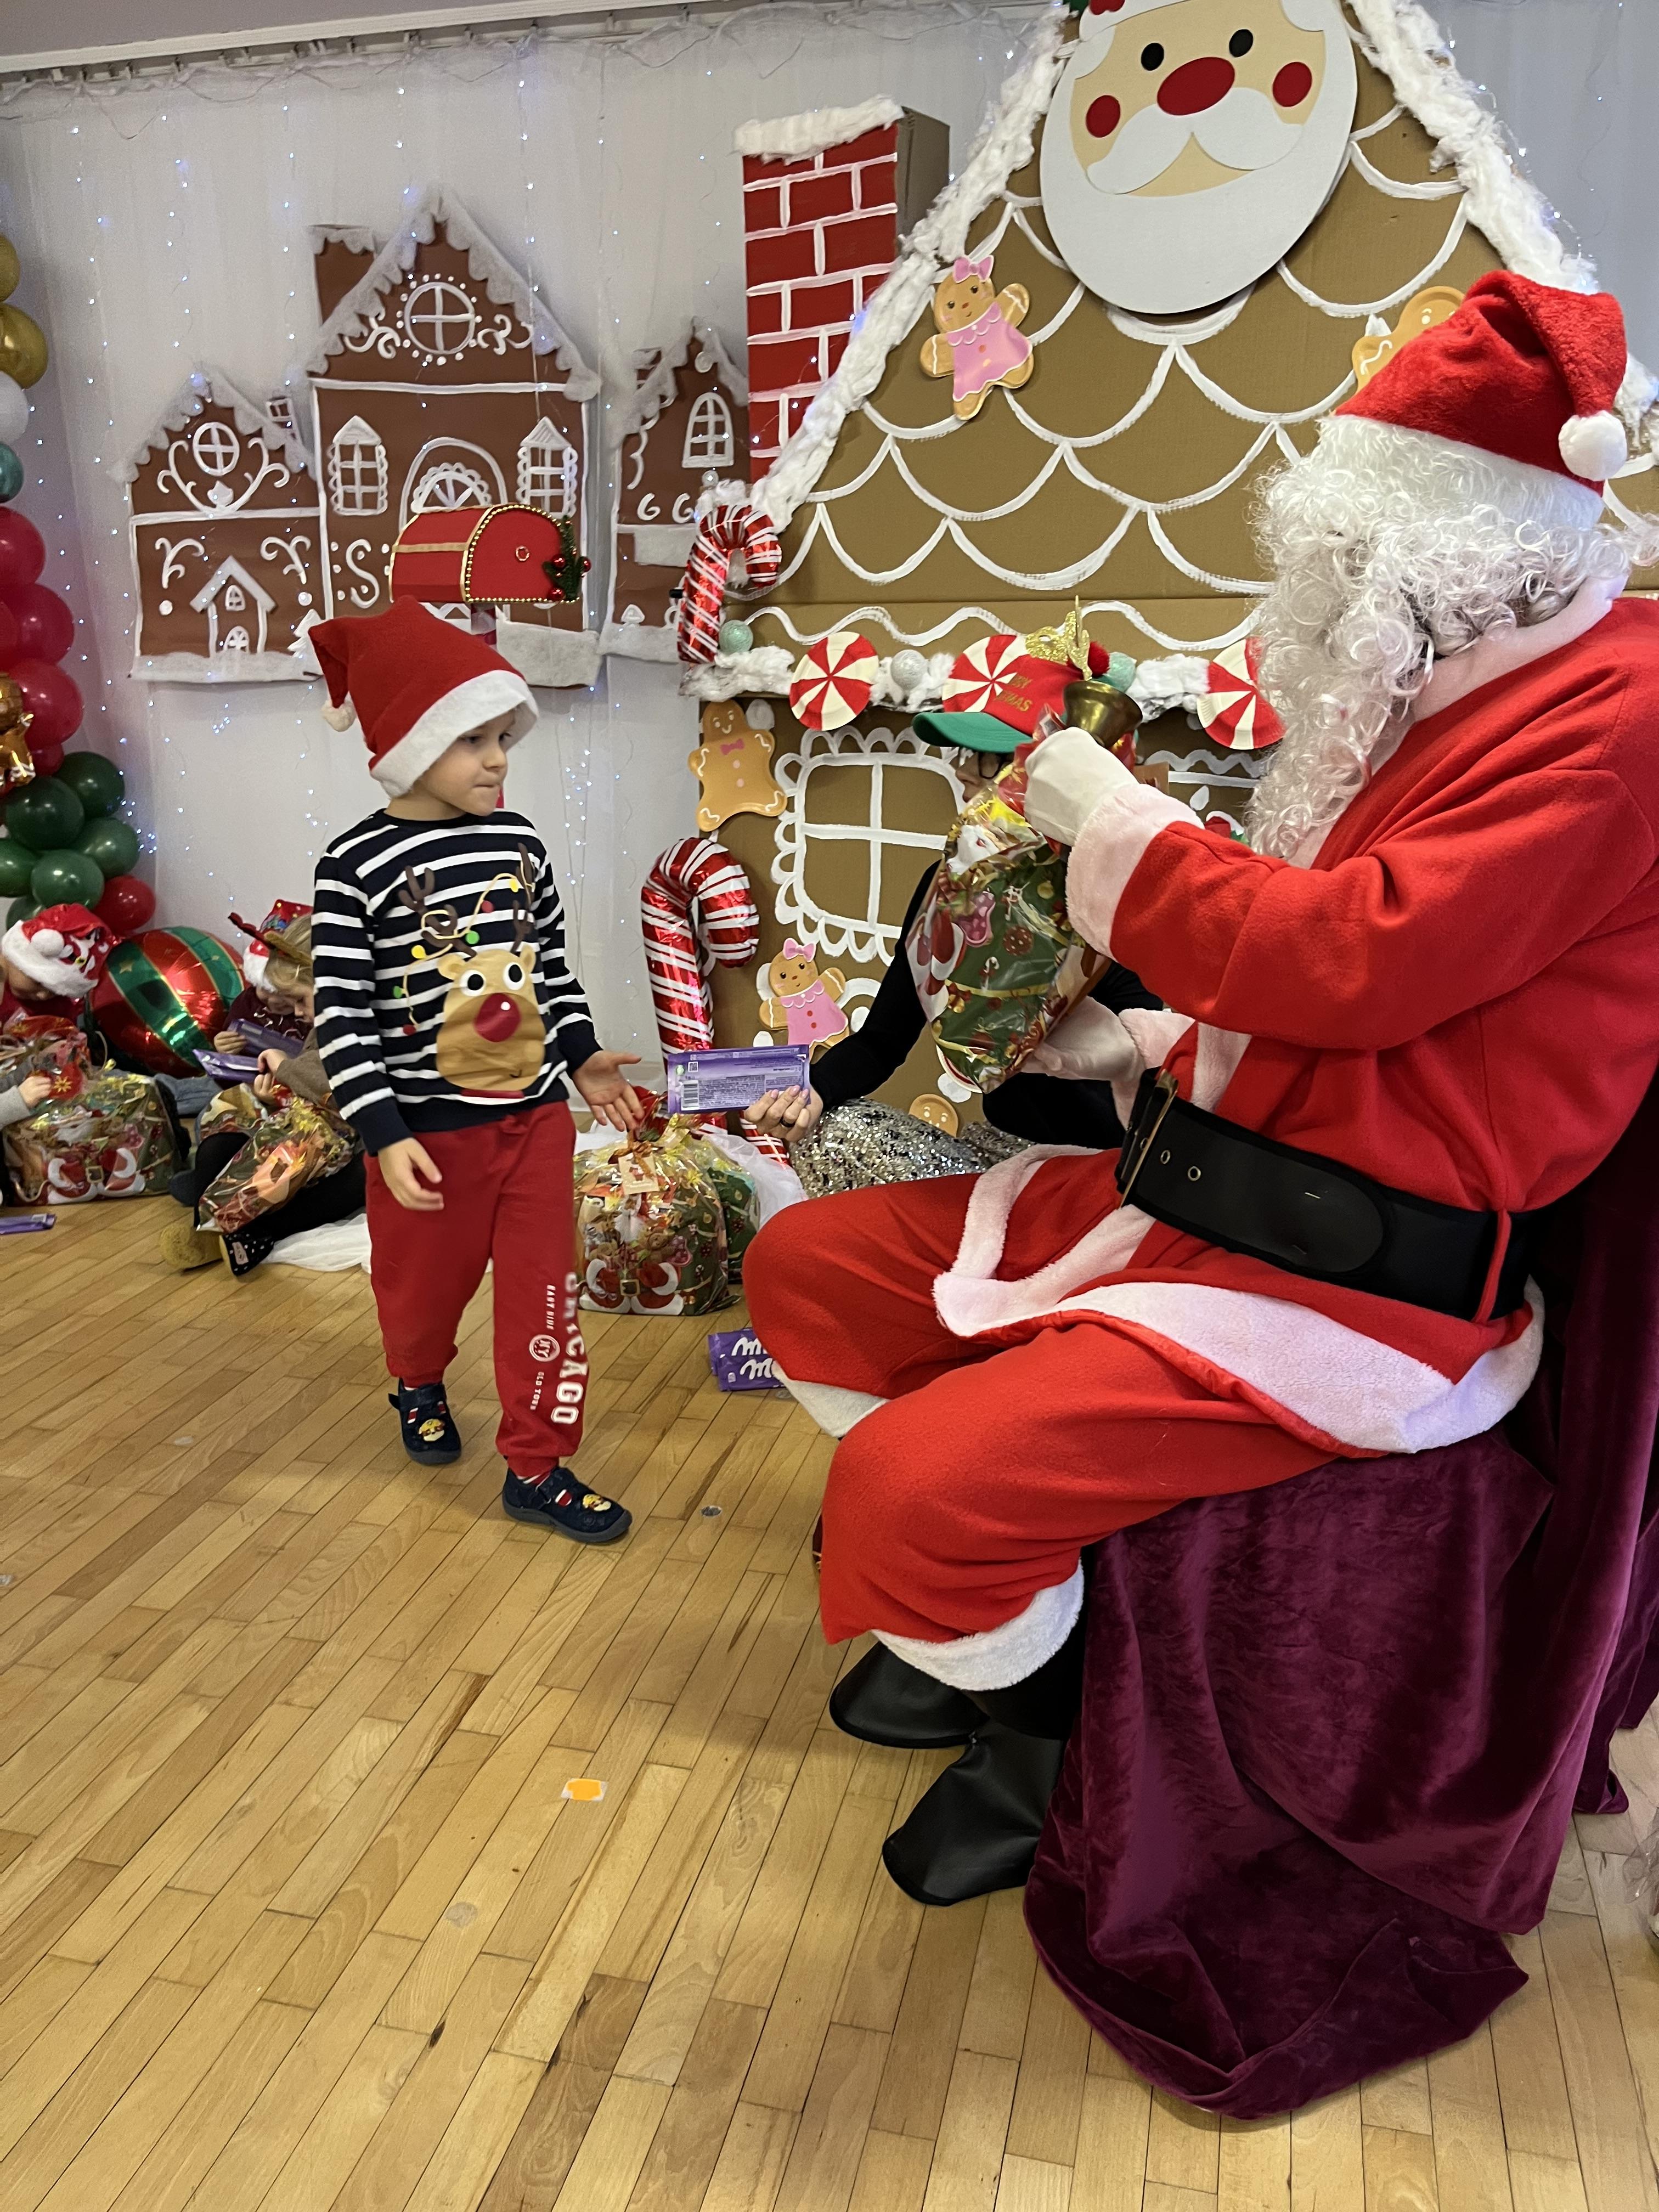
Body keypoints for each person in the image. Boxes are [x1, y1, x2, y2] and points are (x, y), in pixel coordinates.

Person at [744, 270, 1659, 1906]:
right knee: (809, 1267)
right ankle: (982, 1630)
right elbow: (1398, 1007)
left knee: (903, 1488)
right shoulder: (1431, 693)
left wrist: (1116, 825)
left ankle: (1046, 1733)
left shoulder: (1618, 722)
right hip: (1205, 1190)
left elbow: (1360, 961)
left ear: (1464, 547)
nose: (1328, 590)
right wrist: (1146, 1046)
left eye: (1355, 550)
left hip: (1354, 1276)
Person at [309, 600, 645, 1544]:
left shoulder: (519, 844)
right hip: (425, 1138)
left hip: (533, 1124)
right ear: (409, 743)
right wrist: (385, 1134)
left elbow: (549, 972)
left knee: (546, 1298)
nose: (498, 759)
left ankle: (536, 1467)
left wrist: (580, 1056)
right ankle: (417, 1381)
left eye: (503, 737)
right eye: (471, 740)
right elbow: (343, 1018)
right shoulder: (352, 867)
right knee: (421, 1297)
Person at [743, 654, 1165, 1171]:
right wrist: (811, 1094)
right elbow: (882, 1041)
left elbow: (1150, 1080)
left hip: (1106, 1168)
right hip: (1005, 1148)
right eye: (966, 753)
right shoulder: (950, 885)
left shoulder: (1119, 896)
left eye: (992, 758)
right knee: (836, 1131)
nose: (963, 771)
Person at [161, 915, 366, 1276]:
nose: (299, 1012)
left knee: (350, 1168)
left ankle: (256, 1228)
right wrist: (275, 1096)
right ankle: (208, 1213)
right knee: (229, 1108)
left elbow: (339, 1088)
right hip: (307, 1123)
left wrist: (285, 1067)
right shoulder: (321, 1023)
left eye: (301, 1000)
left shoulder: (359, 1027)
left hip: (349, 1142)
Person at [0, 900, 113, 1023]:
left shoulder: (57, 1009)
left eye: (54, 992)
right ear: (18, 958)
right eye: (38, 983)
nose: (43, 996)